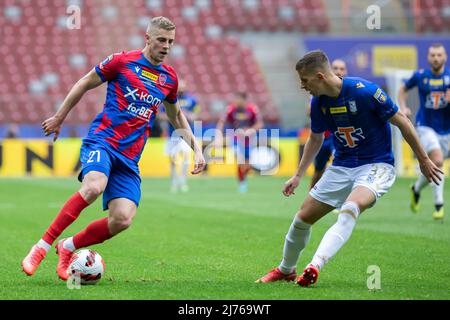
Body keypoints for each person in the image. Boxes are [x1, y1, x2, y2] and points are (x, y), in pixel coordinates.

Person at [21, 16, 206, 281]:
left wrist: (196, 149)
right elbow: (84, 82)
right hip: (103, 141)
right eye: (161, 40)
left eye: (171, 42)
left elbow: (176, 115)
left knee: (122, 219)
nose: (166, 46)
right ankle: (41, 247)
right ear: (148, 38)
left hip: (130, 158)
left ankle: (68, 246)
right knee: (94, 186)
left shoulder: (169, 78)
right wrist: (59, 117)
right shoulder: (122, 61)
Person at [256, 50, 442, 287]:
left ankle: (315, 265)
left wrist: (423, 159)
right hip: (342, 165)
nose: (302, 86)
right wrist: (298, 175)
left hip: (376, 164)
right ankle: (286, 269)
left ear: (320, 76)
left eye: (304, 80)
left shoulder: (366, 92)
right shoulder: (318, 103)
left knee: (351, 207)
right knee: (301, 219)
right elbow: (315, 139)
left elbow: (402, 122)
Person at [398, 43, 449, 220]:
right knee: (437, 160)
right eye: (433, 55)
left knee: (436, 164)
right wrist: (403, 107)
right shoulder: (420, 76)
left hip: (446, 130)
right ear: (428, 58)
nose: (436, 58)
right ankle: (439, 204)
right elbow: (403, 88)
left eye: (439, 55)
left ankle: (416, 188)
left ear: (445, 57)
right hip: (425, 125)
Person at [308, 59, 348, 190]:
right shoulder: (319, 92)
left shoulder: (351, 91)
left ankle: (342, 201)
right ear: (330, 70)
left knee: (341, 165)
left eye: (341, 69)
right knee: (318, 171)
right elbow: (310, 112)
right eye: (335, 68)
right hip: (323, 137)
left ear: (346, 71)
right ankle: (310, 199)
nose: (338, 71)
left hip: (340, 137)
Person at [215, 92, 264, 193]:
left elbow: (260, 123)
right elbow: (221, 122)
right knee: (239, 159)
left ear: (244, 100)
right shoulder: (231, 109)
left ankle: (244, 178)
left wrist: (251, 129)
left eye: (239, 100)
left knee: (247, 162)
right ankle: (242, 183)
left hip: (249, 139)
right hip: (235, 137)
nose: (236, 102)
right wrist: (218, 135)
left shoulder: (252, 109)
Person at [161, 79, 200, 193]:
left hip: (186, 134)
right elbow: (161, 114)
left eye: (183, 87)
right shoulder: (169, 99)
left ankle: (183, 181)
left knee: (186, 158)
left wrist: (191, 116)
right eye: (180, 87)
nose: (181, 89)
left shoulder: (192, 100)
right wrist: (173, 117)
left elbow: (196, 113)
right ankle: (174, 181)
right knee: (173, 160)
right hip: (172, 134)